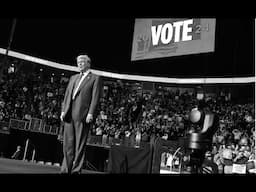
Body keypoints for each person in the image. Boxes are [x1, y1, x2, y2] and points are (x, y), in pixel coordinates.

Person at [60, 54, 102, 174]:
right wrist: (63, 110)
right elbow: (67, 95)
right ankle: (65, 169)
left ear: (88, 63)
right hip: (69, 114)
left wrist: (91, 113)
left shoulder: (95, 78)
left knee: (79, 144)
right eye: (78, 62)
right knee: (68, 143)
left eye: (82, 62)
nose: (79, 64)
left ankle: (76, 170)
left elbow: (95, 98)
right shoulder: (73, 78)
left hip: (82, 115)